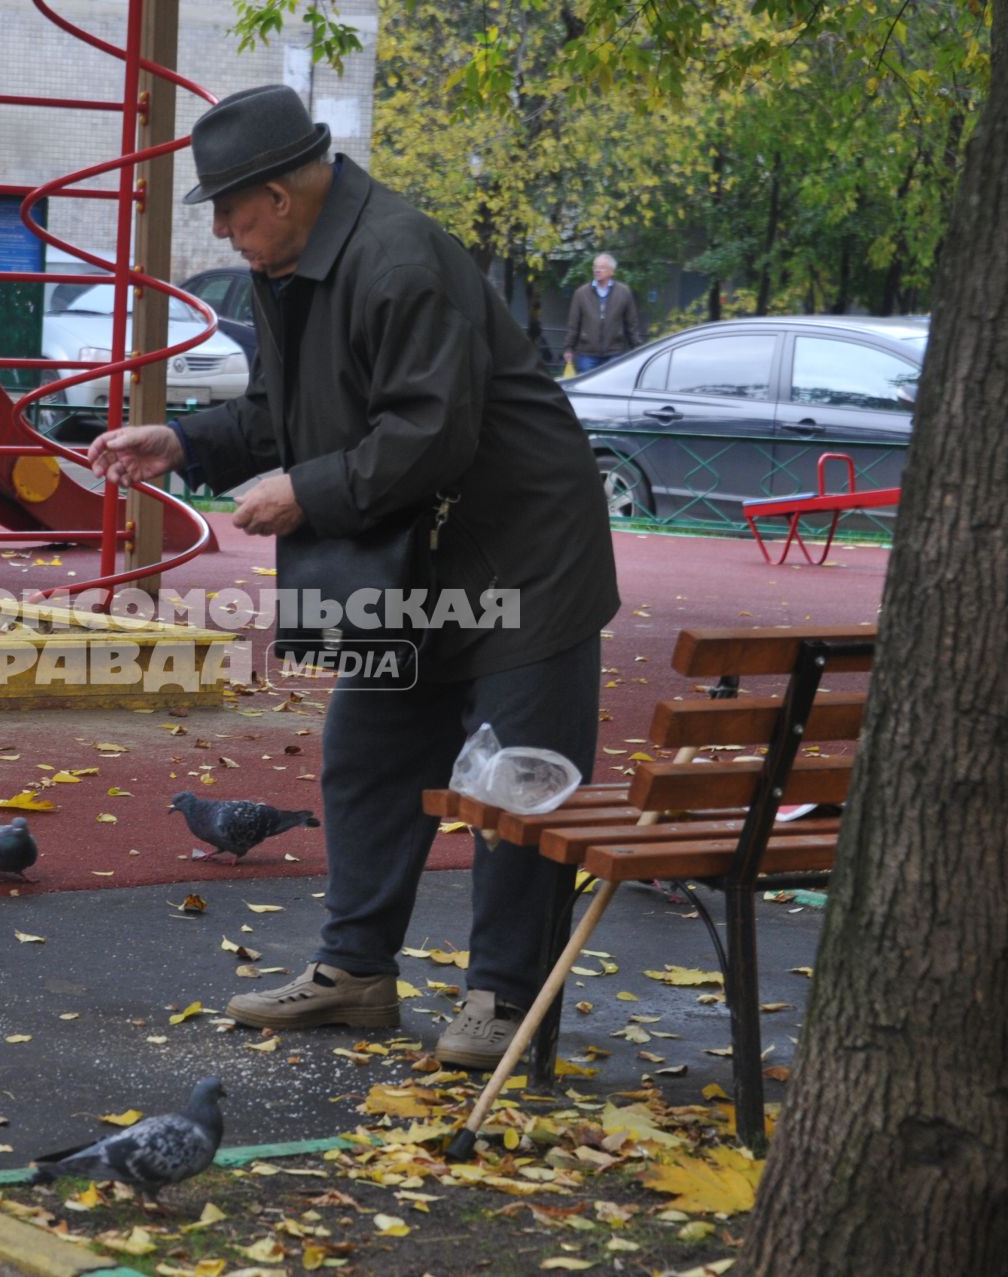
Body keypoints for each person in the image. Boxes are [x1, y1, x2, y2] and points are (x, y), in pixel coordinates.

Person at [87, 85, 619, 1070]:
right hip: (413, 547)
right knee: (368, 749)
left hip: (525, 552)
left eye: (231, 212)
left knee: (517, 784)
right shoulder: (288, 272)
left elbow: (430, 435)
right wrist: (183, 439)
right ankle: (357, 974)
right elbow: (284, 424)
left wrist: (306, 491)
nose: (225, 232)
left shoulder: (398, 259)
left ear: (282, 197)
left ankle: (506, 1000)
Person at [562, 253, 644, 373]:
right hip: (587, 354)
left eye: (602, 267)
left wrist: (637, 348)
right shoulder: (581, 293)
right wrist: (568, 348)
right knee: (586, 389)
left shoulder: (624, 292)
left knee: (610, 390)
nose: (597, 270)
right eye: (595, 267)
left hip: (614, 353)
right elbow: (573, 324)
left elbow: (631, 324)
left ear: (612, 271)